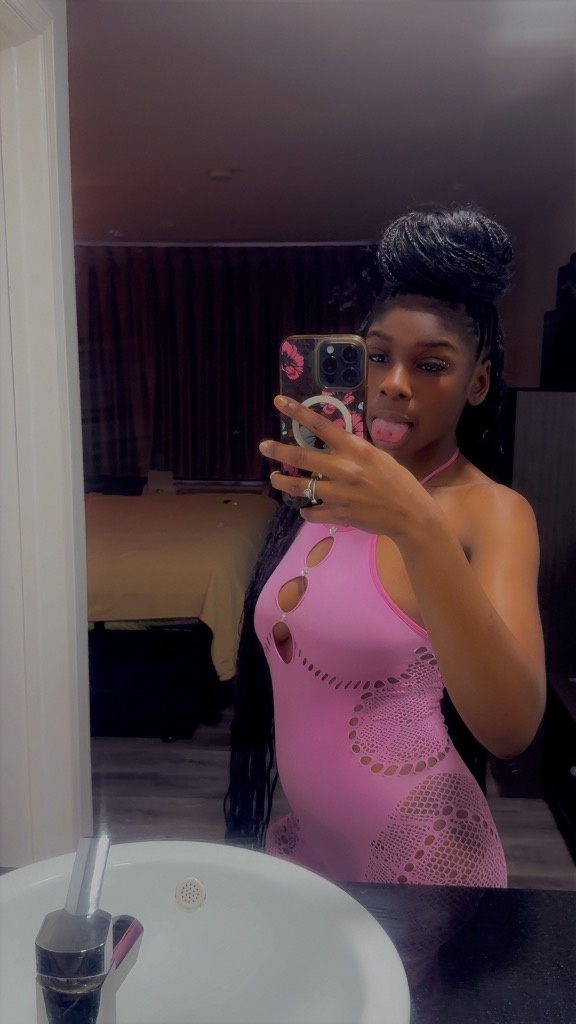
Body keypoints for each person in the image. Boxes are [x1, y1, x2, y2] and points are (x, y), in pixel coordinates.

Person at [224, 205, 546, 887]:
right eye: (376, 356)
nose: (395, 382)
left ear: (477, 383)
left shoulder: (492, 512)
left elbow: (512, 728)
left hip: (424, 858)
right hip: (313, 846)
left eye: (431, 364)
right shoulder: (327, 488)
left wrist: (417, 524)